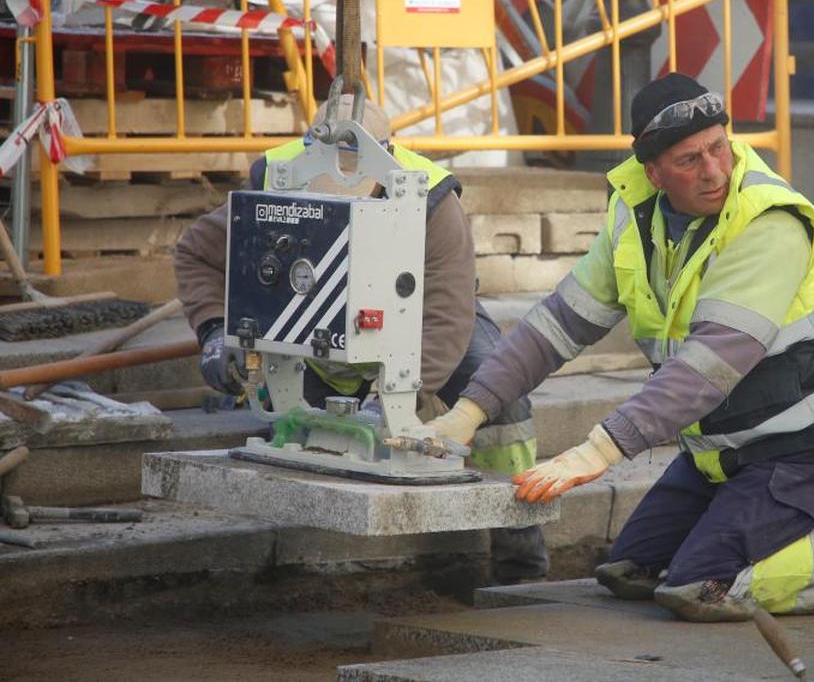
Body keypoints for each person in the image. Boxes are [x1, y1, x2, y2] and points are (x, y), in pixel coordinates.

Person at [426, 73, 814, 621]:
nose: (713, 171)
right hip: (727, 449)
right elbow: (555, 327)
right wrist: (469, 412)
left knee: (701, 588)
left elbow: (710, 367)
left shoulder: (768, 221)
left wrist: (599, 450)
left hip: (812, 441)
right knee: (628, 572)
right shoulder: (634, 219)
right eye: (689, 161)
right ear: (652, 173)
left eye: (718, 148)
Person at [174, 94, 547, 585]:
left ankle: (520, 565)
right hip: (311, 326)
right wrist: (216, 332)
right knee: (304, 435)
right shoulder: (275, 180)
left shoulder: (430, 200)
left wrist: (395, 399)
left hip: (415, 319)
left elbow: (445, 315)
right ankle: (293, 573)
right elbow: (196, 254)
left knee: (496, 387)